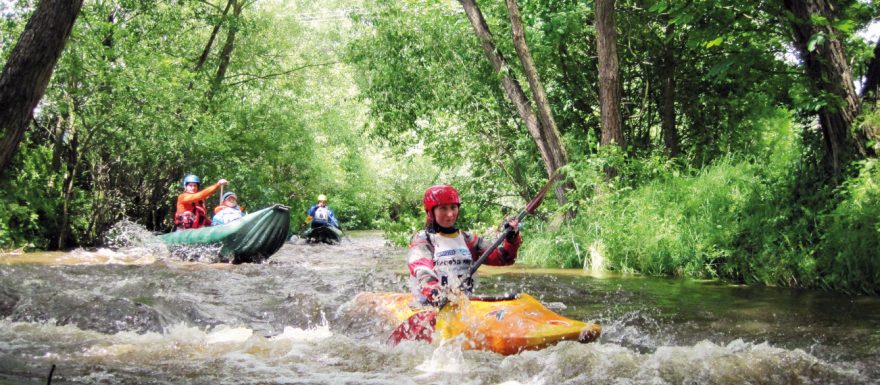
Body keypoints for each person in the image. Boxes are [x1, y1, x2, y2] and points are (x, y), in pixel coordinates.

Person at [406, 185, 521, 307]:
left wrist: (512, 238)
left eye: (453, 207)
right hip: (430, 305)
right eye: (443, 208)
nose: (450, 214)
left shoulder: (468, 239)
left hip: (463, 305)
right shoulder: (423, 241)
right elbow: (424, 273)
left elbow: (505, 258)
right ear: (430, 212)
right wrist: (437, 293)